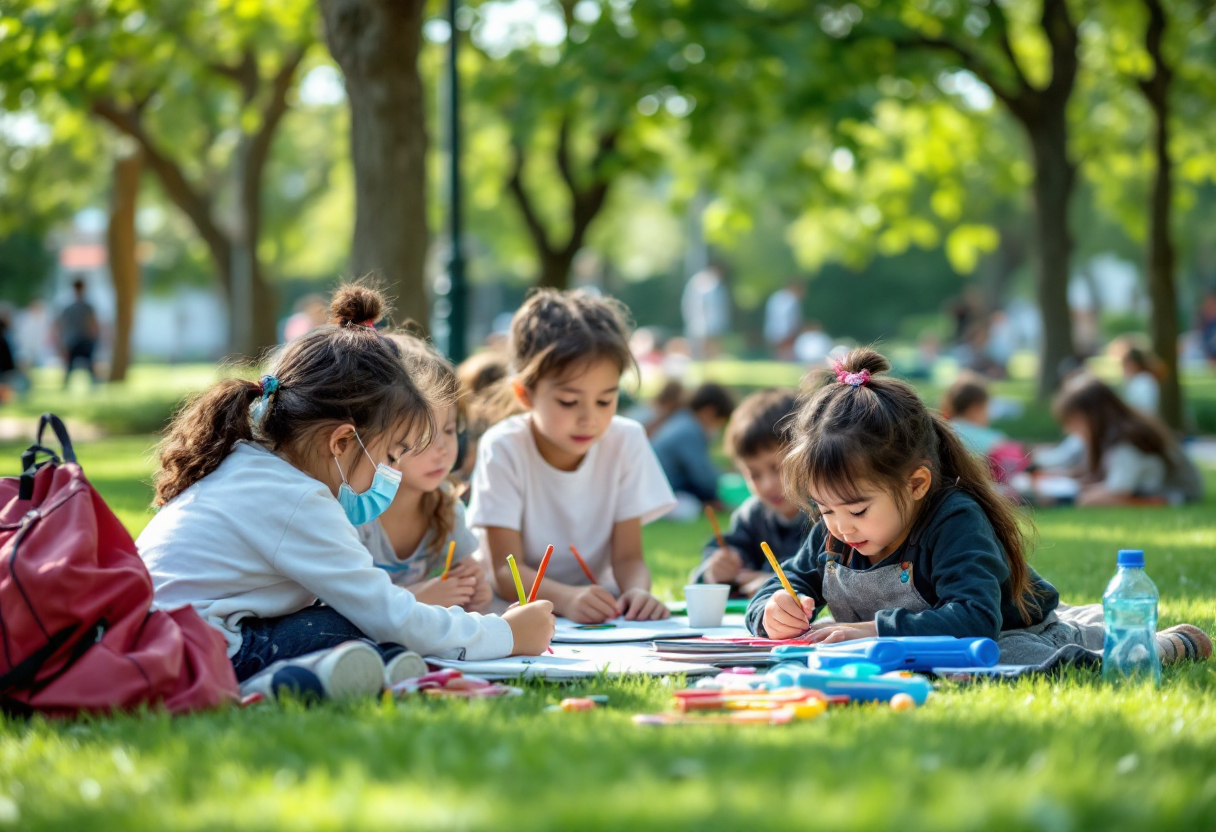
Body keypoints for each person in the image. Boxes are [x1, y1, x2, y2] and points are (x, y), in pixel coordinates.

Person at [136, 285, 554, 700]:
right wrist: (506, 633)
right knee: (355, 627)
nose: (390, 472)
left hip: (169, 643)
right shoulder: (297, 498)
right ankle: (290, 683)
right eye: (391, 455)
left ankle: (367, 669)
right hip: (201, 655)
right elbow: (388, 614)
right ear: (340, 442)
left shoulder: (250, 463)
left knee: (347, 624)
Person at [745, 348, 1211, 665]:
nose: (840, 526)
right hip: (911, 647)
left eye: (858, 511)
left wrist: (873, 631)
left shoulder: (953, 519)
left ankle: (1162, 644)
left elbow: (975, 618)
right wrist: (772, 608)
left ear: (916, 483)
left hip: (1008, 629)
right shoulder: (834, 528)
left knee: (1017, 658)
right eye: (825, 510)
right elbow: (777, 586)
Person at [468, 289, 676, 624]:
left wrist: (638, 592)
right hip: (513, 609)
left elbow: (628, 558)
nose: (589, 419)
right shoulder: (504, 447)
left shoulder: (626, 440)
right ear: (525, 393)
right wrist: (566, 598)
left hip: (597, 606)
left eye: (605, 400)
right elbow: (505, 572)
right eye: (568, 401)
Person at [356, 335, 492, 612]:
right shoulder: (358, 512)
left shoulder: (445, 506)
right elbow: (343, 605)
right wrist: (416, 597)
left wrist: (474, 590)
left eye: (451, 430)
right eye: (426, 436)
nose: (443, 448)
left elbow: (461, 595)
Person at [691, 389, 808, 597]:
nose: (767, 485)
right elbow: (710, 569)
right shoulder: (752, 515)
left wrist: (774, 583)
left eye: (777, 468)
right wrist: (715, 570)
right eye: (753, 474)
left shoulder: (830, 515)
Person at [1053, 374, 1203, 507]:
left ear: (1093, 416)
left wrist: (1070, 498)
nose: (1069, 430)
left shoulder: (1127, 440)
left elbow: (1118, 492)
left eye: (1073, 421)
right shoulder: (1117, 432)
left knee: (1088, 500)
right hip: (1156, 492)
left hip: (1174, 495)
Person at [650, 382, 735, 519]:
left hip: (661, 490)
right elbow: (703, 477)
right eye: (720, 421)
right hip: (657, 496)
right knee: (689, 509)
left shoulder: (683, 421)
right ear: (709, 412)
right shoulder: (689, 431)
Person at [680, 265, 730, 359]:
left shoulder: (717, 284)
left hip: (710, 322)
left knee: (712, 343)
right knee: (701, 344)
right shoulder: (702, 282)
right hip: (701, 321)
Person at [57, 277, 100, 387]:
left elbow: (61, 326)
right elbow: (93, 324)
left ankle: (66, 385)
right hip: (83, 340)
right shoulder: (87, 307)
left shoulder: (68, 308)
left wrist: (62, 342)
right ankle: (93, 384)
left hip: (73, 341)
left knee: (70, 367)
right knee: (88, 365)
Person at [764, 280, 804, 361]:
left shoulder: (776, 296)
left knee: (778, 352)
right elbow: (792, 319)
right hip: (786, 331)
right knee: (784, 352)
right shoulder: (792, 300)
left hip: (772, 329)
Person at [1118, 343, 1162, 416]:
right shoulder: (1144, 379)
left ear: (1133, 365)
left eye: (1125, 366)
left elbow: (1140, 409)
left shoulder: (1142, 382)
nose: (1124, 371)